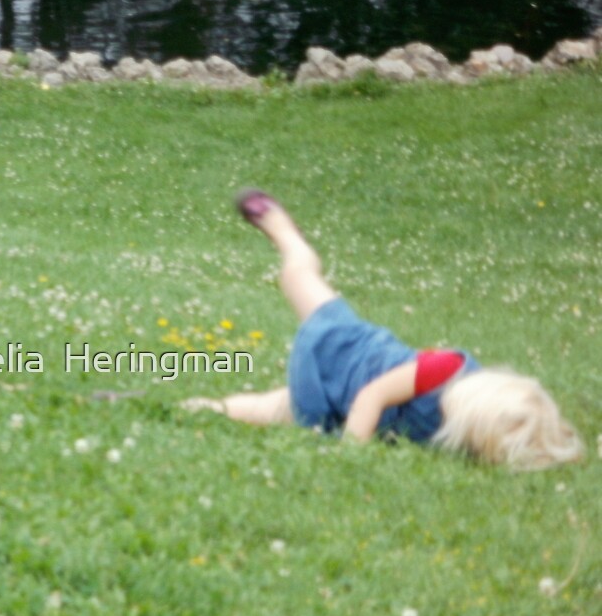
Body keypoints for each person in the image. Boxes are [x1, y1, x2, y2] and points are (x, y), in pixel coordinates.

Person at [182, 189, 584, 471]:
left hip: (343, 392)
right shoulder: (445, 369)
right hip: (346, 351)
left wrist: (555, 445)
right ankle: (285, 232)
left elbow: (535, 432)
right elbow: (373, 396)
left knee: (270, 409)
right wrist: (351, 455)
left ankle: (199, 409)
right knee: (297, 275)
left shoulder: (473, 424)